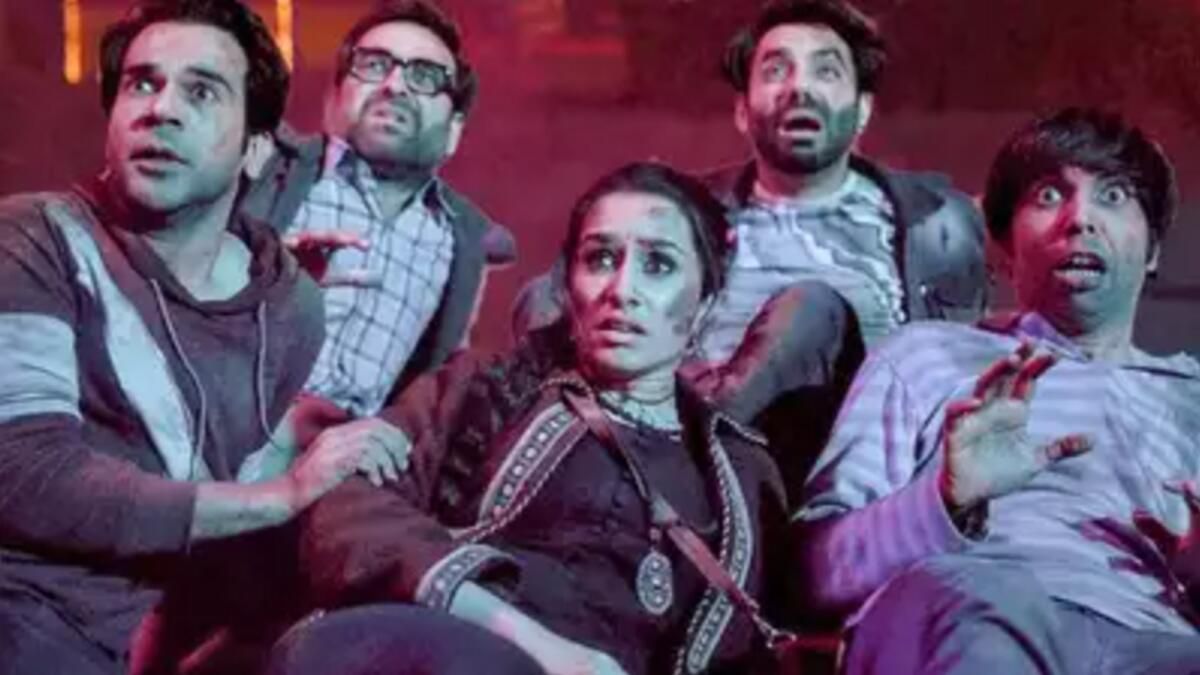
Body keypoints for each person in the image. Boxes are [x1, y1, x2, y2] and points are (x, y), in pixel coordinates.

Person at [0, 1, 404, 673]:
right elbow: (26, 475)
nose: (161, 109)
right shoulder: (33, 239)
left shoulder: (289, 306)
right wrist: (282, 494)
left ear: (256, 149)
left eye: (202, 91)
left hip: (144, 637)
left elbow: (229, 489)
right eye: (142, 84)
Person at [268, 163, 792, 675]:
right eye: (600, 259)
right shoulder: (489, 388)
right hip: (449, 644)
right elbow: (350, 512)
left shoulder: (738, 471)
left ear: (705, 303)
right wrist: (539, 646)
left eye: (658, 265)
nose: (621, 289)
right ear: (569, 287)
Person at [514, 0, 986, 496]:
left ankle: (664, 466)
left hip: (836, 479)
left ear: (862, 108)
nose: (799, 88)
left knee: (810, 312)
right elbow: (548, 307)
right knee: (548, 300)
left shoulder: (939, 224)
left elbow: (952, 376)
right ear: (742, 110)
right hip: (673, 432)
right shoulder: (684, 212)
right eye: (775, 71)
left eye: (825, 71)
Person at [795, 108, 1200, 673]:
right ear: (1004, 248)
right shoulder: (923, 356)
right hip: (982, 608)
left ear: (1153, 249)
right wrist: (944, 502)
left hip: (1158, 640)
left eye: (1113, 196)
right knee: (982, 597)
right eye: (1049, 196)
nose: (1080, 219)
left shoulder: (1191, 397)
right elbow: (814, 576)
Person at [240, 0, 517, 425]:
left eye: (425, 76)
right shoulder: (264, 170)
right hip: (231, 428)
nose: (394, 85)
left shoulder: (463, 243)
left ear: (455, 129)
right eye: (373, 65)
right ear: (335, 95)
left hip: (350, 455)